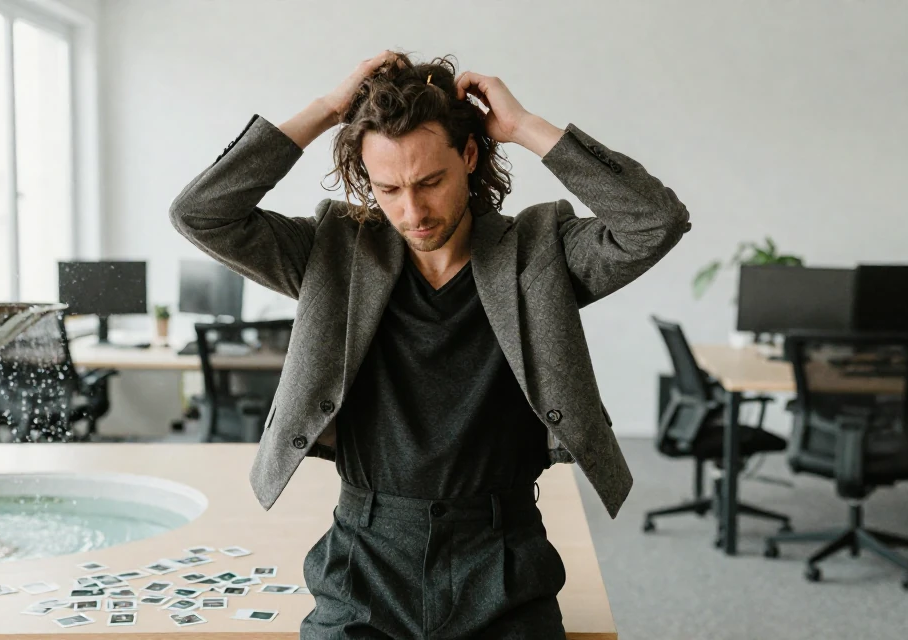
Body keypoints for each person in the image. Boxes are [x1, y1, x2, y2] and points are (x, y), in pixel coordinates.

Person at [170, 50, 691, 639]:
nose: (411, 211)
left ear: (469, 157)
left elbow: (656, 222)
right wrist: (325, 111)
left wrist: (522, 126)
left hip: (500, 554)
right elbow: (200, 214)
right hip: (365, 557)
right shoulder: (333, 253)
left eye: (430, 182)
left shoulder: (539, 252)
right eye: (388, 188)